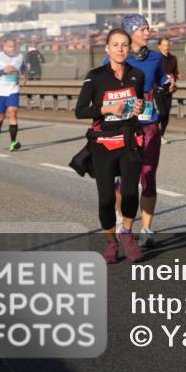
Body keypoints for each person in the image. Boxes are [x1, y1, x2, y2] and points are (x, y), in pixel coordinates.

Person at [74, 28, 146, 264]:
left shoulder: (137, 74)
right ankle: (111, 243)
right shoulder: (95, 76)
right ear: (107, 48)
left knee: (129, 192)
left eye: (124, 45)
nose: (120, 49)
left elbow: (139, 103)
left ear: (129, 48)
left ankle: (126, 232)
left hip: (129, 140)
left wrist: (138, 108)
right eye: (115, 45)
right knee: (106, 199)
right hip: (103, 144)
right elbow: (80, 111)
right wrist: (105, 109)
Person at [110, 14, 170, 248]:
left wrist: (167, 83)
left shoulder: (155, 57)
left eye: (148, 29)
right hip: (125, 125)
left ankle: (147, 229)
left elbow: (162, 78)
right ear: (131, 32)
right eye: (143, 29)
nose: (148, 33)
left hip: (149, 124)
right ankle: (123, 222)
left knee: (148, 175)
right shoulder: (120, 59)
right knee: (125, 180)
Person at [0, 37, 27, 151]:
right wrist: (3, 71)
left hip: (13, 90)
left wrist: (23, 76)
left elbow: (23, 67)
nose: (11, 49)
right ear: (4, 47)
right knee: (0, 117)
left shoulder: (20, 57)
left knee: (13, 113)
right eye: (8, 46)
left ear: (16, 47)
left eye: (13, 46)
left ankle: (13, 142)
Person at [155, 36, 180, 144]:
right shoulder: (156, 58)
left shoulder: (173, 58)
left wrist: (177, 77)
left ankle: (161, 135)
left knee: (167, 114)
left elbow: (174, 73)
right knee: (163, 112)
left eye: (167, 45)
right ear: (159, 46)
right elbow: (153, 73)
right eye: (164, 45)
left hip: (169, 89)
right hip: (158, 88)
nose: (166, 47)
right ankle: (151, 126)